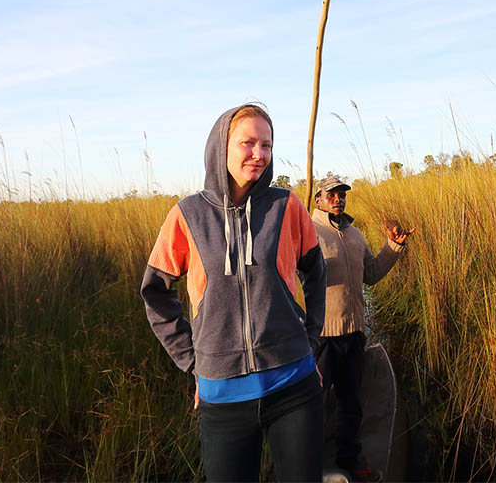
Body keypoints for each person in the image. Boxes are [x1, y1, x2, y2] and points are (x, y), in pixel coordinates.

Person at [141, 104, 327, 482]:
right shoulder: (188, 215)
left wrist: (309, 340)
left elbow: (317, 272)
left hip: (293, 387)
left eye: (267, 145)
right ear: (221, 147)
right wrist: (194, 361)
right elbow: (155, 292)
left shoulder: (285, 205)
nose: (259, 155)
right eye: (248, 143)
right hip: (222, 397)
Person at [312, 175, 414, 482]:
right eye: (331, 194)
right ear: (318, 199)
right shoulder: (307, 232)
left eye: (342, 194)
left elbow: (370, 273)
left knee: (350, 402)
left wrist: (393, 247)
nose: (338, 199)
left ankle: (348, 459)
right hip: (319, 337)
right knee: (312, 404)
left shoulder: (354, 235)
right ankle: (305, 465)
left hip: (354, 332)